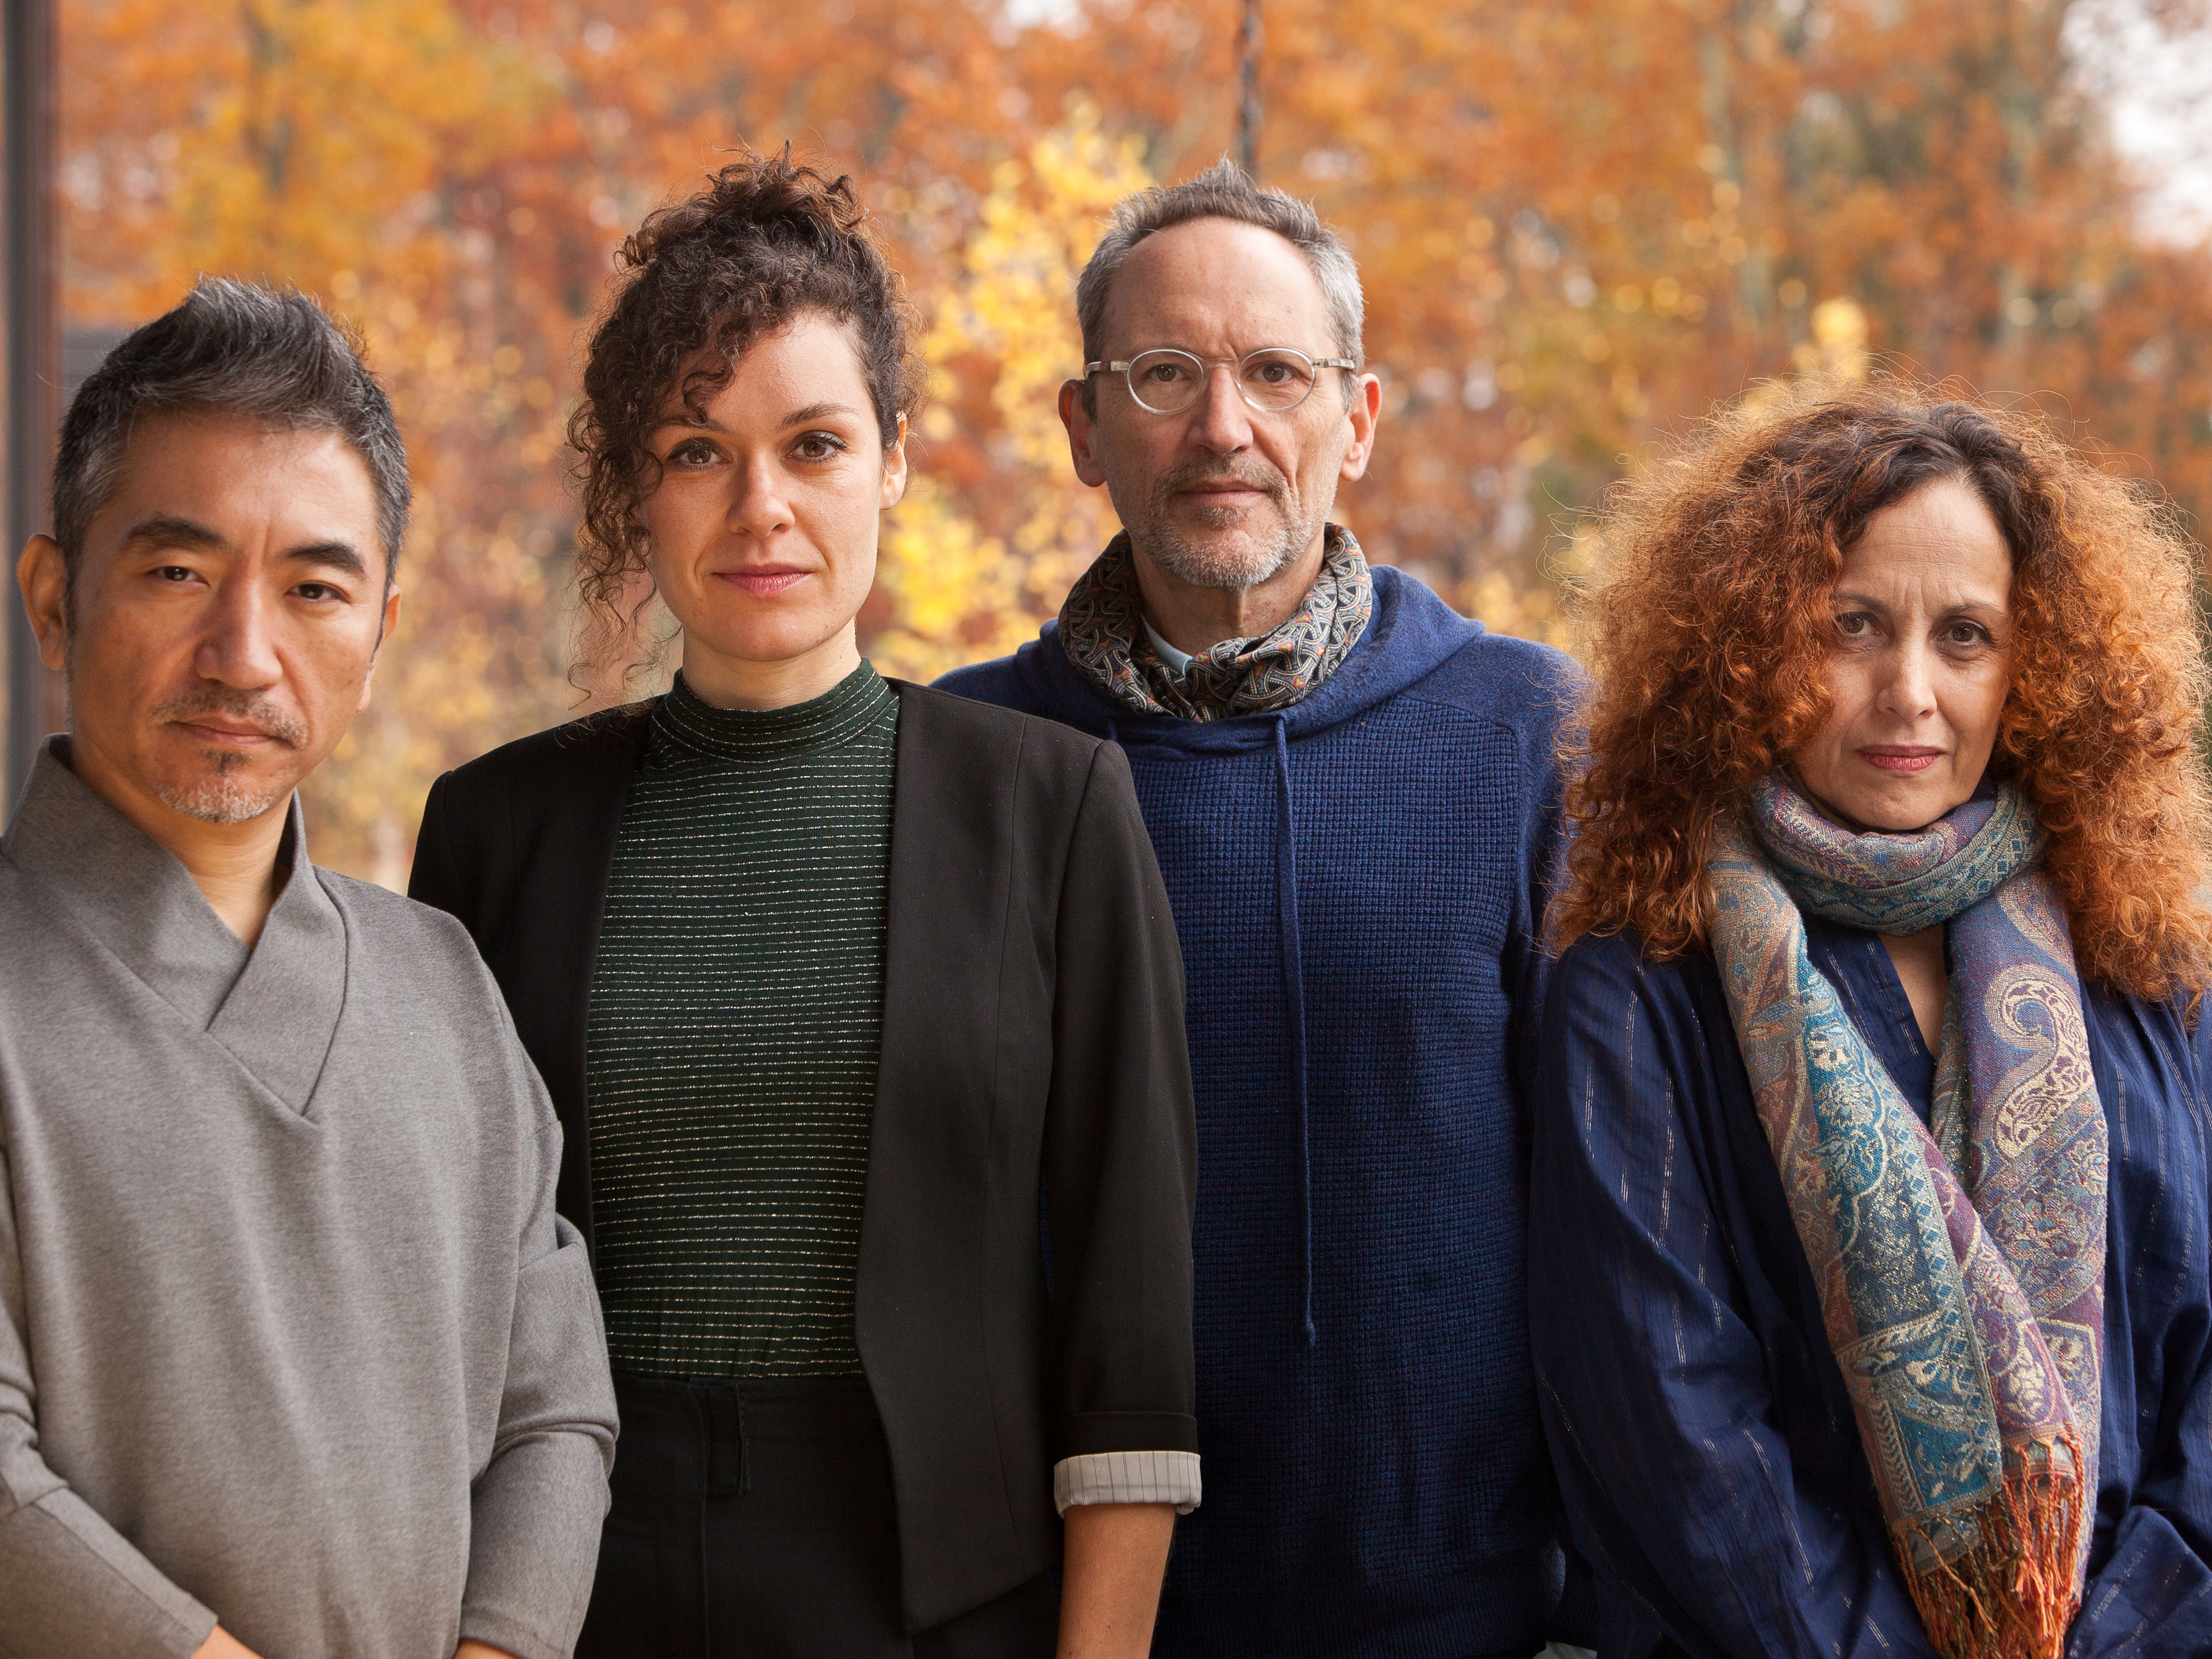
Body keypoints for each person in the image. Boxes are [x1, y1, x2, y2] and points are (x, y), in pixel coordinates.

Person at [407, 153, 1198, 1659]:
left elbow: (1130, 1338)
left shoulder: (1055, 810)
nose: (759, 508)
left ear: (893, 458)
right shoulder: (494, 830)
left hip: (933, 1595)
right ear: (633, 486)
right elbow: (441, 1295)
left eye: (814, 445)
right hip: (558, 1590)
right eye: (697, 451)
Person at [940, 161, 1587, 1657]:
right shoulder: (965, 761)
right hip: (1066, 1618)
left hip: (1463, 1618)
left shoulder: (1528, 739)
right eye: (1164, 375)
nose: (1224, 427)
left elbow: (1624, 1221)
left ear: (1353, 422)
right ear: (1083, 428)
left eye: (1277, 374)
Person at [1531, 380, 2212, 1659]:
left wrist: (2140, 1630)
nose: (1908, 691)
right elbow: (1671, 1430)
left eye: (1964, 636)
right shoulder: (1641, 977)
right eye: (1852, 626)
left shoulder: (2143, 957)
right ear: (1747, 644)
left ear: (2036, 663)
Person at [0, 279, 616, 1659]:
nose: (244, 653)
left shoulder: (443, 983)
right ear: (53, 600)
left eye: (313, 588)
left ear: (380, 631)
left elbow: (555, 1407)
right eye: (176, 572)